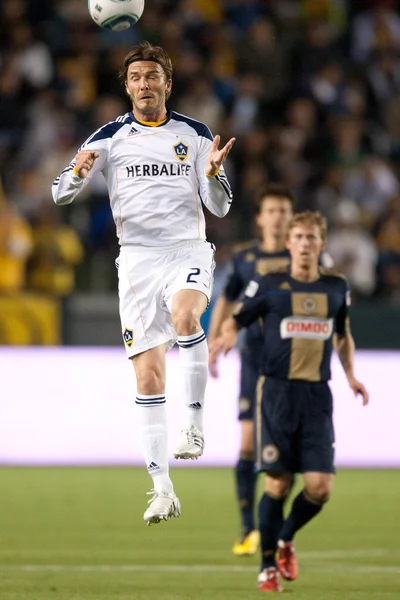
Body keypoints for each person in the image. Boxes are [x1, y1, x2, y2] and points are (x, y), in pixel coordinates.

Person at [52, 41, 235, 525]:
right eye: (136, 78)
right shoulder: (109, 136)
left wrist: (214, 176)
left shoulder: (194, 135)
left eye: (153, 76)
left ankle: (193, 424)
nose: (145, 84)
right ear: (127, 86)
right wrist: (77, 172)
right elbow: (59, 193)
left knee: (186, 316)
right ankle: (161, 489)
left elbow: (219, 207)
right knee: (148, 376)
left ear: (167, 85)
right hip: (135, 262)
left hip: (185, 251)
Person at [209, 211, 369, 592]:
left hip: (317, 396)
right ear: (289, 243)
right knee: (278, 484)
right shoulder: (269, 285)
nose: (304, 244)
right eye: (298, 237)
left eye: (311, 238)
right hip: (277, 394)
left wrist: (350, 375)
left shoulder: (335, 288)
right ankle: (266, 569)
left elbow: (342, 334)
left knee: (319, 487)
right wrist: (227, 336)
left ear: (321, 244)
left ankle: (284, 537)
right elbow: (238, 318)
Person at [207, 183, 295, 556]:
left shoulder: (304, 257)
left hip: (292, 362)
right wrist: (213, 344)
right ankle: (248, 529)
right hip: (255, 357)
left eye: (283, 211)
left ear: (291, 218)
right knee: (246, 441)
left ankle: (277, 526)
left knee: (282, 452)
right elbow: (226, 301)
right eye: (271, 211)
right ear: (260, 218)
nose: (277, 218)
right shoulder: (244, 259)